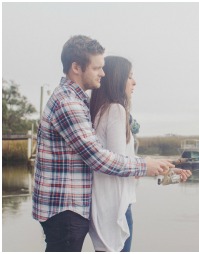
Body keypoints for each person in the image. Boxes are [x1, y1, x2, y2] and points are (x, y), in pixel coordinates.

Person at [32, 35, 174, 252]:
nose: (103, 73)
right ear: (76, 67)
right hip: (65, 209)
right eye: (97, 67)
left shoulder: (79, 100)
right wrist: (145, 165)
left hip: (68, 208)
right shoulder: (68, 103)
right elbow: (97, 157)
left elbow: (121, 126)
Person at [87, 56, 192, 251]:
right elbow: (120, 165)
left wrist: (165, 168)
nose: (134, 82)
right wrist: (150, 168)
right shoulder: (116, 110)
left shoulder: (100, 110)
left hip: (104, 207)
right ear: (117, 80)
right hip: (116, 208)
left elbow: (123, 161)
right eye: (129, 77)